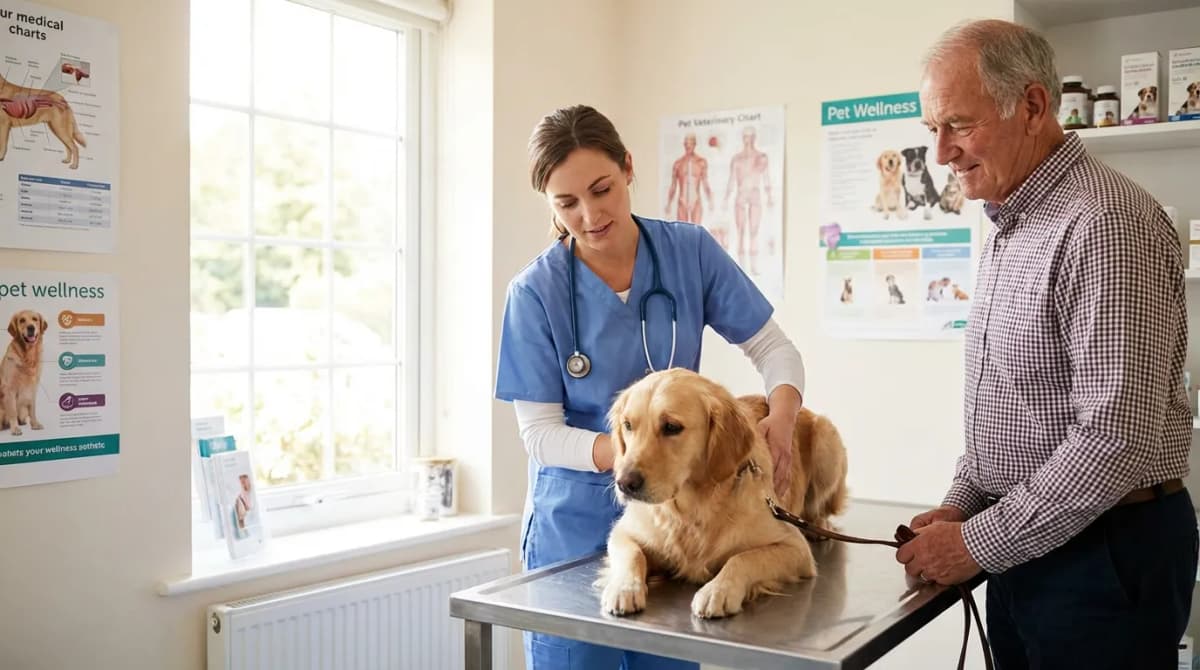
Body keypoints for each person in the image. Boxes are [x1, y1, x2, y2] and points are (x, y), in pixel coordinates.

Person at [894, 19, 1196, 669]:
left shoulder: (1104, 223)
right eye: (931, 132)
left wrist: (976, 542)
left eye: (958, 125)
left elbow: (1113, 439)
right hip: (1030, 546)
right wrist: (962, 504)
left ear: (1032, 106)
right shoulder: (1012, 223)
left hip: (1103, 556)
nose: (941, 153)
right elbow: (1011, 402)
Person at [495, 104, 807, 670]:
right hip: (575, 530)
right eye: (566, 203)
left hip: (680, 527)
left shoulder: (688, 253)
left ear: (628, 168)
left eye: (602, 189)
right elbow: (539, 435)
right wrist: (641, 457)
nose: (590, 215)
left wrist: (780, 421)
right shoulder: (534, 293)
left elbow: (774, 349)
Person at [723, 126, 773, 274]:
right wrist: (726, 198)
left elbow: (767, 178)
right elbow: (731, 180)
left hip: (755, 195)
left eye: (750, 137)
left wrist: (770, 197)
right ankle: (741, 268)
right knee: (741, 231)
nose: (747, 140)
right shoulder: (737, 159)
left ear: (754, 138)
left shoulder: (761, 157)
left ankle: (753, 267)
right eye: (745, 137)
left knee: (754, 231)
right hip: (740, 195)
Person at [664, 132, 713, 226]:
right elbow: (673, 185)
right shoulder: (678, 163)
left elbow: (705, 183)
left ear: (695, 144)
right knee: (682, 233)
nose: (688, 146)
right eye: (686, 143)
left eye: (690, 143)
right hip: (682, 201)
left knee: (697, 231)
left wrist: (710, 200)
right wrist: (669, 203)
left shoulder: (701, 162)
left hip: (696, 201)